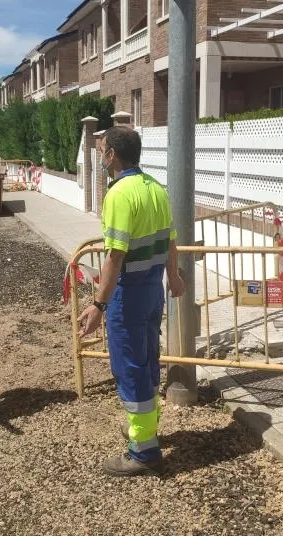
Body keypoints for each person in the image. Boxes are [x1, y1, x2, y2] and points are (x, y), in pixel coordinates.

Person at [78, 126, 185, 477]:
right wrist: (175, 276)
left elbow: (114, 257)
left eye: (101, 149)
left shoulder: (119, 194)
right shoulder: (155, 188)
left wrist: (99, 304)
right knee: (148, 360)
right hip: (153, 290)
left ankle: (143, 450)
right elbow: (171, 238)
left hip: (130, 293)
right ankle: (144, 428)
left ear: (111, 155)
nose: (99, 155)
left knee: (130, 367)